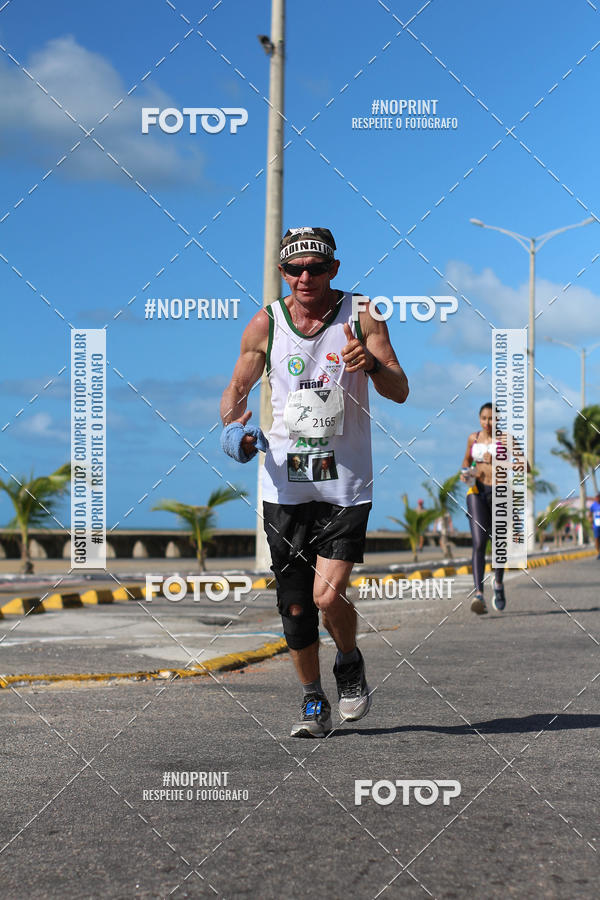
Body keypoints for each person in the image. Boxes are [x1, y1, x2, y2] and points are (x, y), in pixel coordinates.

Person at [220, 226, 408, 737]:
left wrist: (371, 365)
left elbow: (400, 389)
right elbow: (236, 390)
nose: (306, 277)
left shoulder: (362, 314)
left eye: (317, 268)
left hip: (345, 482)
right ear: (283, 272)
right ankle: (312, 699)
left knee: (327, 597)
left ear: (334, 269)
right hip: (285, 483)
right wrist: (234, 431)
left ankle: (348, 660)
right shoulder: (266, 323)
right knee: (297, 604)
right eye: (295, 269)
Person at [460, 402, 505, 614]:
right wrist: (465, 472)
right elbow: (466, 460)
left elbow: (525, 466)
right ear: (480, 419)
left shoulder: (506, 440)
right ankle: (479, 594)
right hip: (476, 491)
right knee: (479, 542)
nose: (488, 422)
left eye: (492, 418)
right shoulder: (473, 438)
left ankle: (498, 584)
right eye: (484, 418)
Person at [589, 493, 600, 559]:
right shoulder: (593, 505)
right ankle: (599, 553)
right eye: (596, 497)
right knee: (597, 539)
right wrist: (590, 520)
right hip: (596, 525)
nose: (597, 499)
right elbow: (590, 514)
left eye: (598, 497)